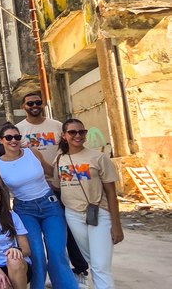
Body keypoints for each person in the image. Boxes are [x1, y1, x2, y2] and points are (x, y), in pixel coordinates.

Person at [0, 124, 78, 289]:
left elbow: (52, 172)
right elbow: (1, 193)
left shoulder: (32, 153)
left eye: (17, 137)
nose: (13, 141)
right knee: (36, 254)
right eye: (8, 137)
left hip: (50, 205)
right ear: (1, 140)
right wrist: (5, 216)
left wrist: (71, 179)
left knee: (57, 252)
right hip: (24, 210)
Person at [17, 93, 90, 285]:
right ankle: (43, 279)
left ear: (43, 104)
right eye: (30, 103)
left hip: (61, 184)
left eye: (38, 102)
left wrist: (57, 176)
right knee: (37, 245)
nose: (34, 105)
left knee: (68, 232)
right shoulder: (19, 130)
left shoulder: (57, 126)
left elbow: (70, 152)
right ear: (23, 106)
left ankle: (79, 270)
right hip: (35, 189)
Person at [53, 119, 123, 289]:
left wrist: (116, 225)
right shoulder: (60, 159)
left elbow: (111, 193)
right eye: (72, 132)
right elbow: (56, 184)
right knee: (94, 259)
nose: (77, 135)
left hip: (99, 213)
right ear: (64, 136)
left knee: (100, 264)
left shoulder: (99, 157)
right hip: (73, 214)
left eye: (81, 132)